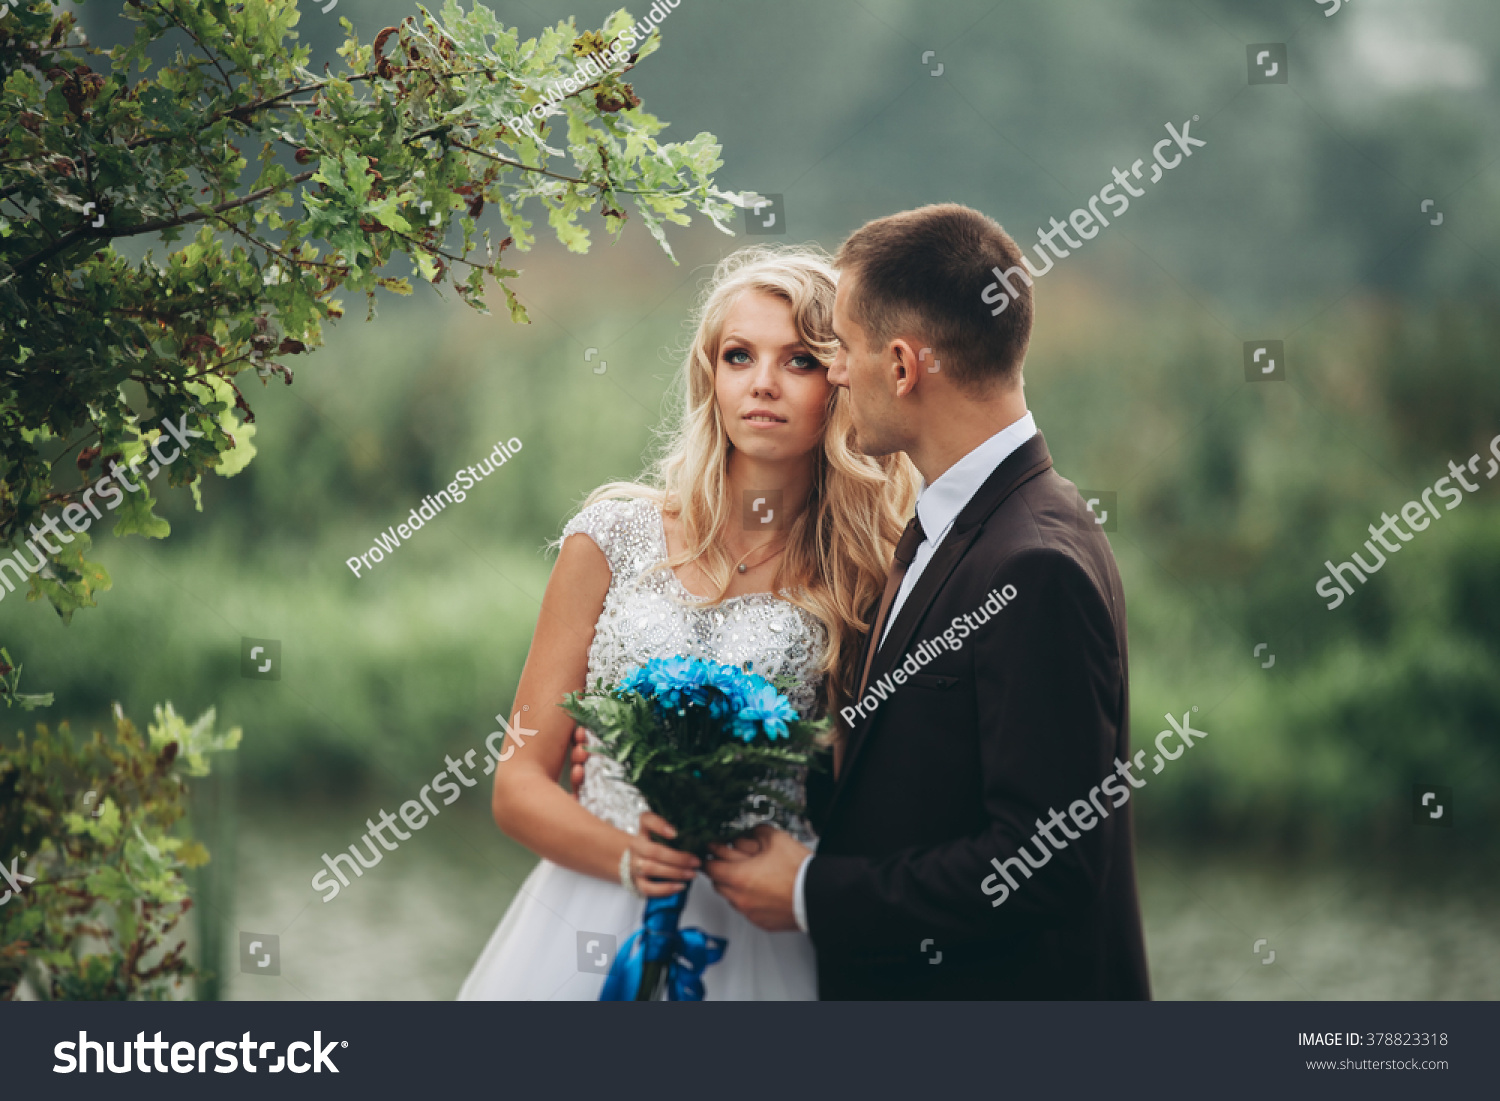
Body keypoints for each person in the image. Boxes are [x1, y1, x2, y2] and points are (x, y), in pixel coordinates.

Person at [704, 204, 1152, 999]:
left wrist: (810, 893)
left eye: (841, 347)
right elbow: (902, 769)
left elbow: (1046, 862)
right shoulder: (950, 525)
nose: (836, 371)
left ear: (904, 366)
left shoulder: (1035, 562)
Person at [457, 245, 918, 999]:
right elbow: (517, 783)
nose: (762, 383)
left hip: (762, 929)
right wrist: (627, 857)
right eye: (739, 356)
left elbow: (869, 790)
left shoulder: (864, 577)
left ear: (838, 384)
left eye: (799, 360)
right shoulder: (609, 538)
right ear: (711, 375)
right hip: (588, 912)